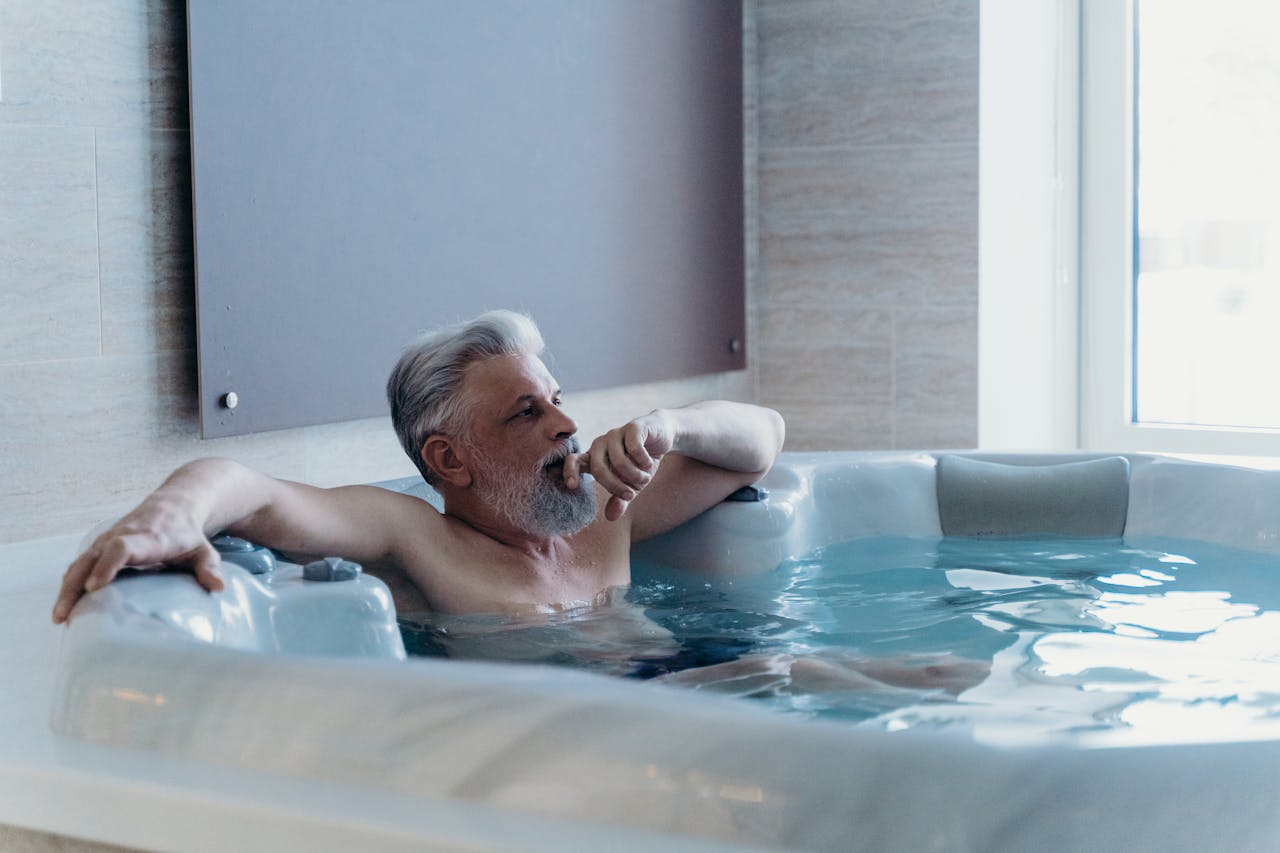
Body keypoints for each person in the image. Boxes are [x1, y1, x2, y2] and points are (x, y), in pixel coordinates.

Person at [52, 310, 786, 622]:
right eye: (528, 413)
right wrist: (169, 516)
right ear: (448, 460)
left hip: (685, 689)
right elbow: (251, 489)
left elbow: (766, 439)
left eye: (557, 400)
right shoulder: (419, 540)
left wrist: (669, 424)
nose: (566, 424)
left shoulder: (605, 510)